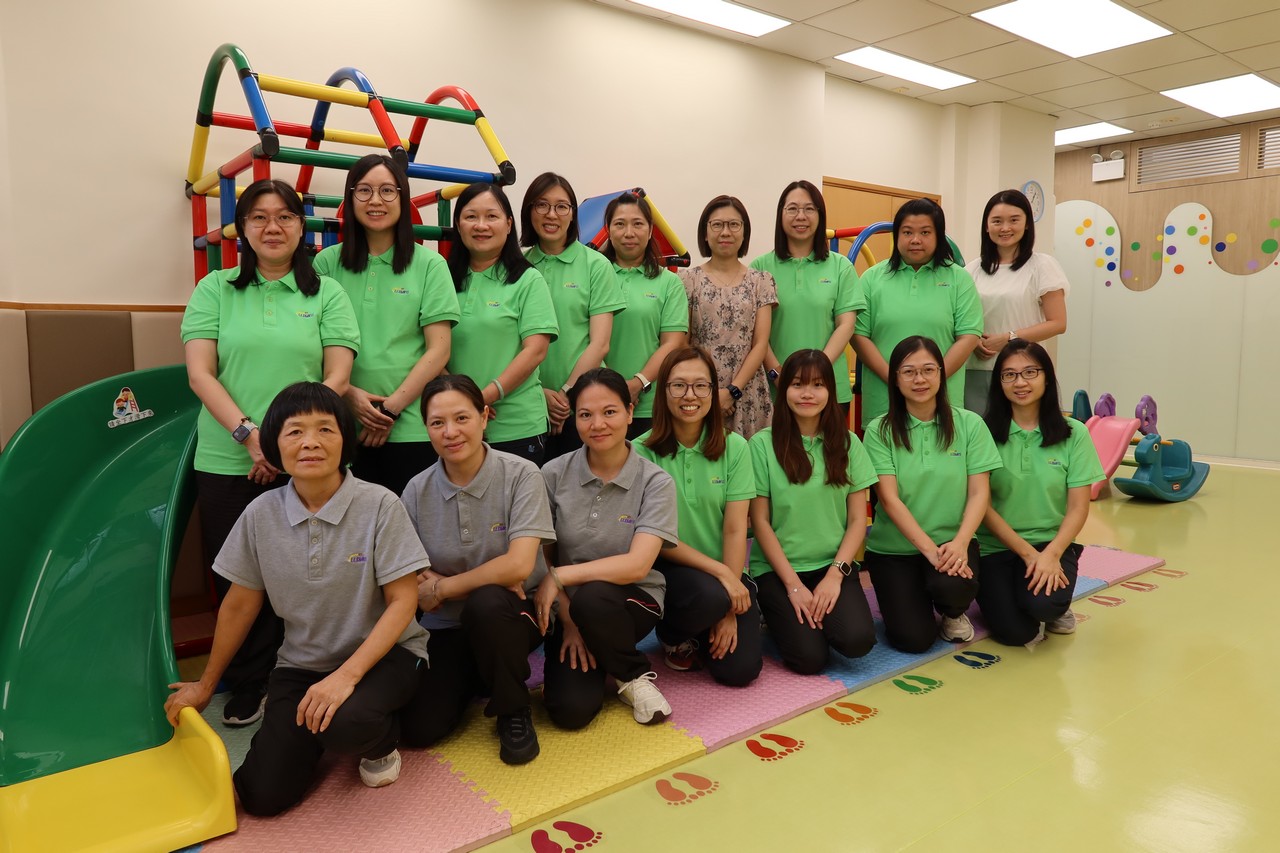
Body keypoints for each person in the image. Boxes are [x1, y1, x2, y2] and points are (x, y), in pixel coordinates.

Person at [164, 382, 428, 815]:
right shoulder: (260, 513)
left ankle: (379, 742)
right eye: (295, 431)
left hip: (386, 656)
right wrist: (206, 685)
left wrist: (345, 677)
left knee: (348, 722)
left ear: (345, 440)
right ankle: (320, 725)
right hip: (301, 665)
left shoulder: (380, 504)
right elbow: (239, 605)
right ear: (274, 444)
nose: (310, 442)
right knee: (262, 797)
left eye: (325, 429)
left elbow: (403, 601)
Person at [181, 178, 359, 727]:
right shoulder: (214, 289)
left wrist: (289, 444)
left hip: (309, 458)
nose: (272, 227)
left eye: (284, 216)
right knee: (238, 574)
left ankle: (302, 670)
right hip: (227, 456)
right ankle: (249, 678)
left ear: (301, 227)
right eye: (259, 217)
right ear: (242, 229)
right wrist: (251, 437)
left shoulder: (326, 293)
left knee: (310, 569)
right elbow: (200, 374)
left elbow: (337, 374)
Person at [397, 375, 554, 765]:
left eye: (462, 418)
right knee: (418, 728)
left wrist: (444, 587)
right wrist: (492, 576)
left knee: (488, 602)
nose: (450, 432)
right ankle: (484, 674)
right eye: (437, 422)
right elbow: (412, 575)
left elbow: (519, 565)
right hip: (447, 625)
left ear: (484, 417)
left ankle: (512, 707)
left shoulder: (522, 474)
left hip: (515, 614)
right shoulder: (415, 490)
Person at [536, 368, 679, 728]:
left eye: (610, 412)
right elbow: (543, 557)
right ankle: (605, 656)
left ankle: (632, 674)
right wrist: (569, 621)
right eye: (585, 414)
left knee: (593, 597)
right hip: (568, 608)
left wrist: (561, 576)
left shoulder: (656, 482)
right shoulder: (551, 474)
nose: (597, 424)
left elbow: (637, 565)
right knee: (570, 712)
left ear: (630, 412)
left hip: (631, 601)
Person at [313, 154, 458, 494]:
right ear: (350, 198)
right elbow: (313, 343)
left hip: (413, 426)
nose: (375, 200)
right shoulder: (326, 263)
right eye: (364, 190)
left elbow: (439, 350)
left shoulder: (430, 265)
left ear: (402, 198)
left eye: (387, 191)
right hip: (341, 425)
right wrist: (349, 394)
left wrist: (389, 410)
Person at [862, 336, 1002, 653]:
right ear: (895, 378)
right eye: (909, 371)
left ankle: (953, 613)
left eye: (928, 369)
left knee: (953, 586)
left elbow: (979, 493)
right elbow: (889, 500)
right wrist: (930, 551)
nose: (920, 379)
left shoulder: (970, 424)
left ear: (941, 373)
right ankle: (914, 598)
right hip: (894, 550)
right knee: (913, 640)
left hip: (953, 542)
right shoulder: (879, 430)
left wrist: (961, 542)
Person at [635, 346, 762, 685]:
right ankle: (673, 633)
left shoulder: (736, 447)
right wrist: (722, 584)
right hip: (671, 573)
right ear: (663, 391)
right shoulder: (640, 452)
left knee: (739, 672)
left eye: (701, 385)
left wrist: (730, 604)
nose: (690, 396)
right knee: (709, 597)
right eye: (678, 385)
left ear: (712, 390)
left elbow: (735, 529)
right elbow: (655, 537)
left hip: (726, 571)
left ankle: (706, 626)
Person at [748, 349, 879, 675]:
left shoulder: (849, 443)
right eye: (797, 384)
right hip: (779, 571)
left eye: (817, 385)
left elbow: (857, 521)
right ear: (783, 389)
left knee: (858, 641)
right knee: (809, 659)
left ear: (830, 391)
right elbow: (760, 522)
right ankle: (772, 610)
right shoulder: (762, 445)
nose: (807, 393)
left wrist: (835, 576)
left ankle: (810, 617)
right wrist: (793, 586)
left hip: (832, 565)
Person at [977, 341, 1103, 644]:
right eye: (1009, 375)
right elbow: (983, 506)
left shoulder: (1074, 433)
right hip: (994, 548)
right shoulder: (982, 432)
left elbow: (1078, 507)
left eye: (1030, 372)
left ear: (1047, 377)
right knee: (1016, 633)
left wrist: (1052, 554)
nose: (1020, 382)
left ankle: (1054, 604)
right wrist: (1028, 555)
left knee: (1044, 606)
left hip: (1051, 544)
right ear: (999, 383)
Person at [447, 182, 559, 465]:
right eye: (471, 216)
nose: (481, 225)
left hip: (516, 426)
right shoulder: (442, 279)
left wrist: (484, 397)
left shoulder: (528, 280)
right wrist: (464, 402)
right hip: (454, 426)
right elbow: (428, 345)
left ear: (509, 224)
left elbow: (535, 350)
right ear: (458, 225)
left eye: (491, 216)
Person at [852, 198, 983, 428]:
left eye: (925, 232)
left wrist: (932, 380)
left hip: (942, 402)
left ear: (938, 235)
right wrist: (895, 379)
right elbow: (858, 335)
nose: (915, 240)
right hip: (884, 401)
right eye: (907, 232)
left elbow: (969, 336)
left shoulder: (959, 279)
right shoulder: (872, 278)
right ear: (897, 235)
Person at [521, 172, 625, 460]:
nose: (551, 214)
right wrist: (540, 393)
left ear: (572, 214)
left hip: (585, 401)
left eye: (561, 206)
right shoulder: (517, 266)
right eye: (542, 205)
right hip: (529, 402)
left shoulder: (596, 265)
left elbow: (599, 343)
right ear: (529, 211)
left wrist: (566, 394)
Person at [750, 180, 860, 421]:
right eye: (792, 208)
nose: (801, 216)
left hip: (830, 387)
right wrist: (777, 373)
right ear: (780, 215)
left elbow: (846, 325)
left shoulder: (841, 266)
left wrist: (816, 373)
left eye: (809, 209)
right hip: (775, 388)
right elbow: (757, 332)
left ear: (820, 215)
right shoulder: (760, 268)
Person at [963, 189, 1069, 413]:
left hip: (1023, 371)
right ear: (986, 226)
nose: (1005, 228)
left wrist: (1009, 338)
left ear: (1027, 223)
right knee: (978, 432)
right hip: (975, 369)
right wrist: (972, 341)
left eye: (1014, 220)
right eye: (997, 221)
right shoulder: (971, 270)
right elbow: (960, 318)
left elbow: (1058, 323)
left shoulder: (1042, 266)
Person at [680, 195, 777, 438]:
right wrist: (707, 390)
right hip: (700, 389)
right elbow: (683, 343)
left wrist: (733, 391)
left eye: (734, 224)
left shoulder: (761, 281)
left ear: (744, 232)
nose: (726, 232)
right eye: (717, 225)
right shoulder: (687, 280)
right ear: (705, 233)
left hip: (749, 388)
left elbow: (760, 343)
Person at [600, 191, 688, 438]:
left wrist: (638, 383)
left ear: (650, 231)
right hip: (597, 401)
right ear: (608, 230)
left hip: (649, 406)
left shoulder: (669, 282)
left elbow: (672, 344)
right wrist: (608, 386)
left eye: (637, 224)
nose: (629, 233)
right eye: (620, 224)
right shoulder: (593, 276)